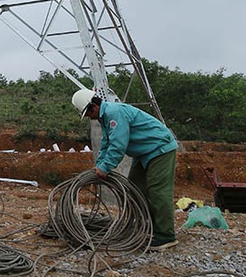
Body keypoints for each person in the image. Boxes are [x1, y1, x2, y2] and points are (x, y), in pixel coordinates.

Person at [71, 88, 179, 251]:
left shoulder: (115, 113)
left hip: (159, 149)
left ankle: (166, 236)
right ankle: (148, 227)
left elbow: (118, 145)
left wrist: (105, 167)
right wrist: (100, 165)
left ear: (94, 105)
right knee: (135, 189)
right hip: (143, 153)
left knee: (158, 192)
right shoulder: (105, 118)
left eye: (87, 113)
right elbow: (106, 143)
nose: (88, 117)